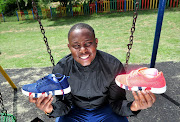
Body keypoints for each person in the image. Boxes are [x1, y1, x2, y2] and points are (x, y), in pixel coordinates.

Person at [29, 23, 156, 122]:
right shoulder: (61, 69)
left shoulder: (113, 66)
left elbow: (117, 103)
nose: (83, 50)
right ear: (69, 47)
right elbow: (65, 105)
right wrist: (50, 110)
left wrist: (134, 106)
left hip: (106, 109)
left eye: (88, 43)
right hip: (74, 111)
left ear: (96, 42)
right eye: (76, 46)